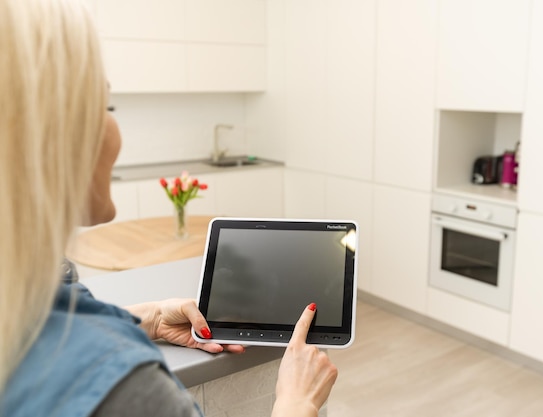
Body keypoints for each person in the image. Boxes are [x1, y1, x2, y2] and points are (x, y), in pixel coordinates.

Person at [0, 0, 338, 416]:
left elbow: (44, 325)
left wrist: (150, 318)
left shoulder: (30, 289)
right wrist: (296, 402)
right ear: (53, 135)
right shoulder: (126, 388)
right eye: (104, 106)